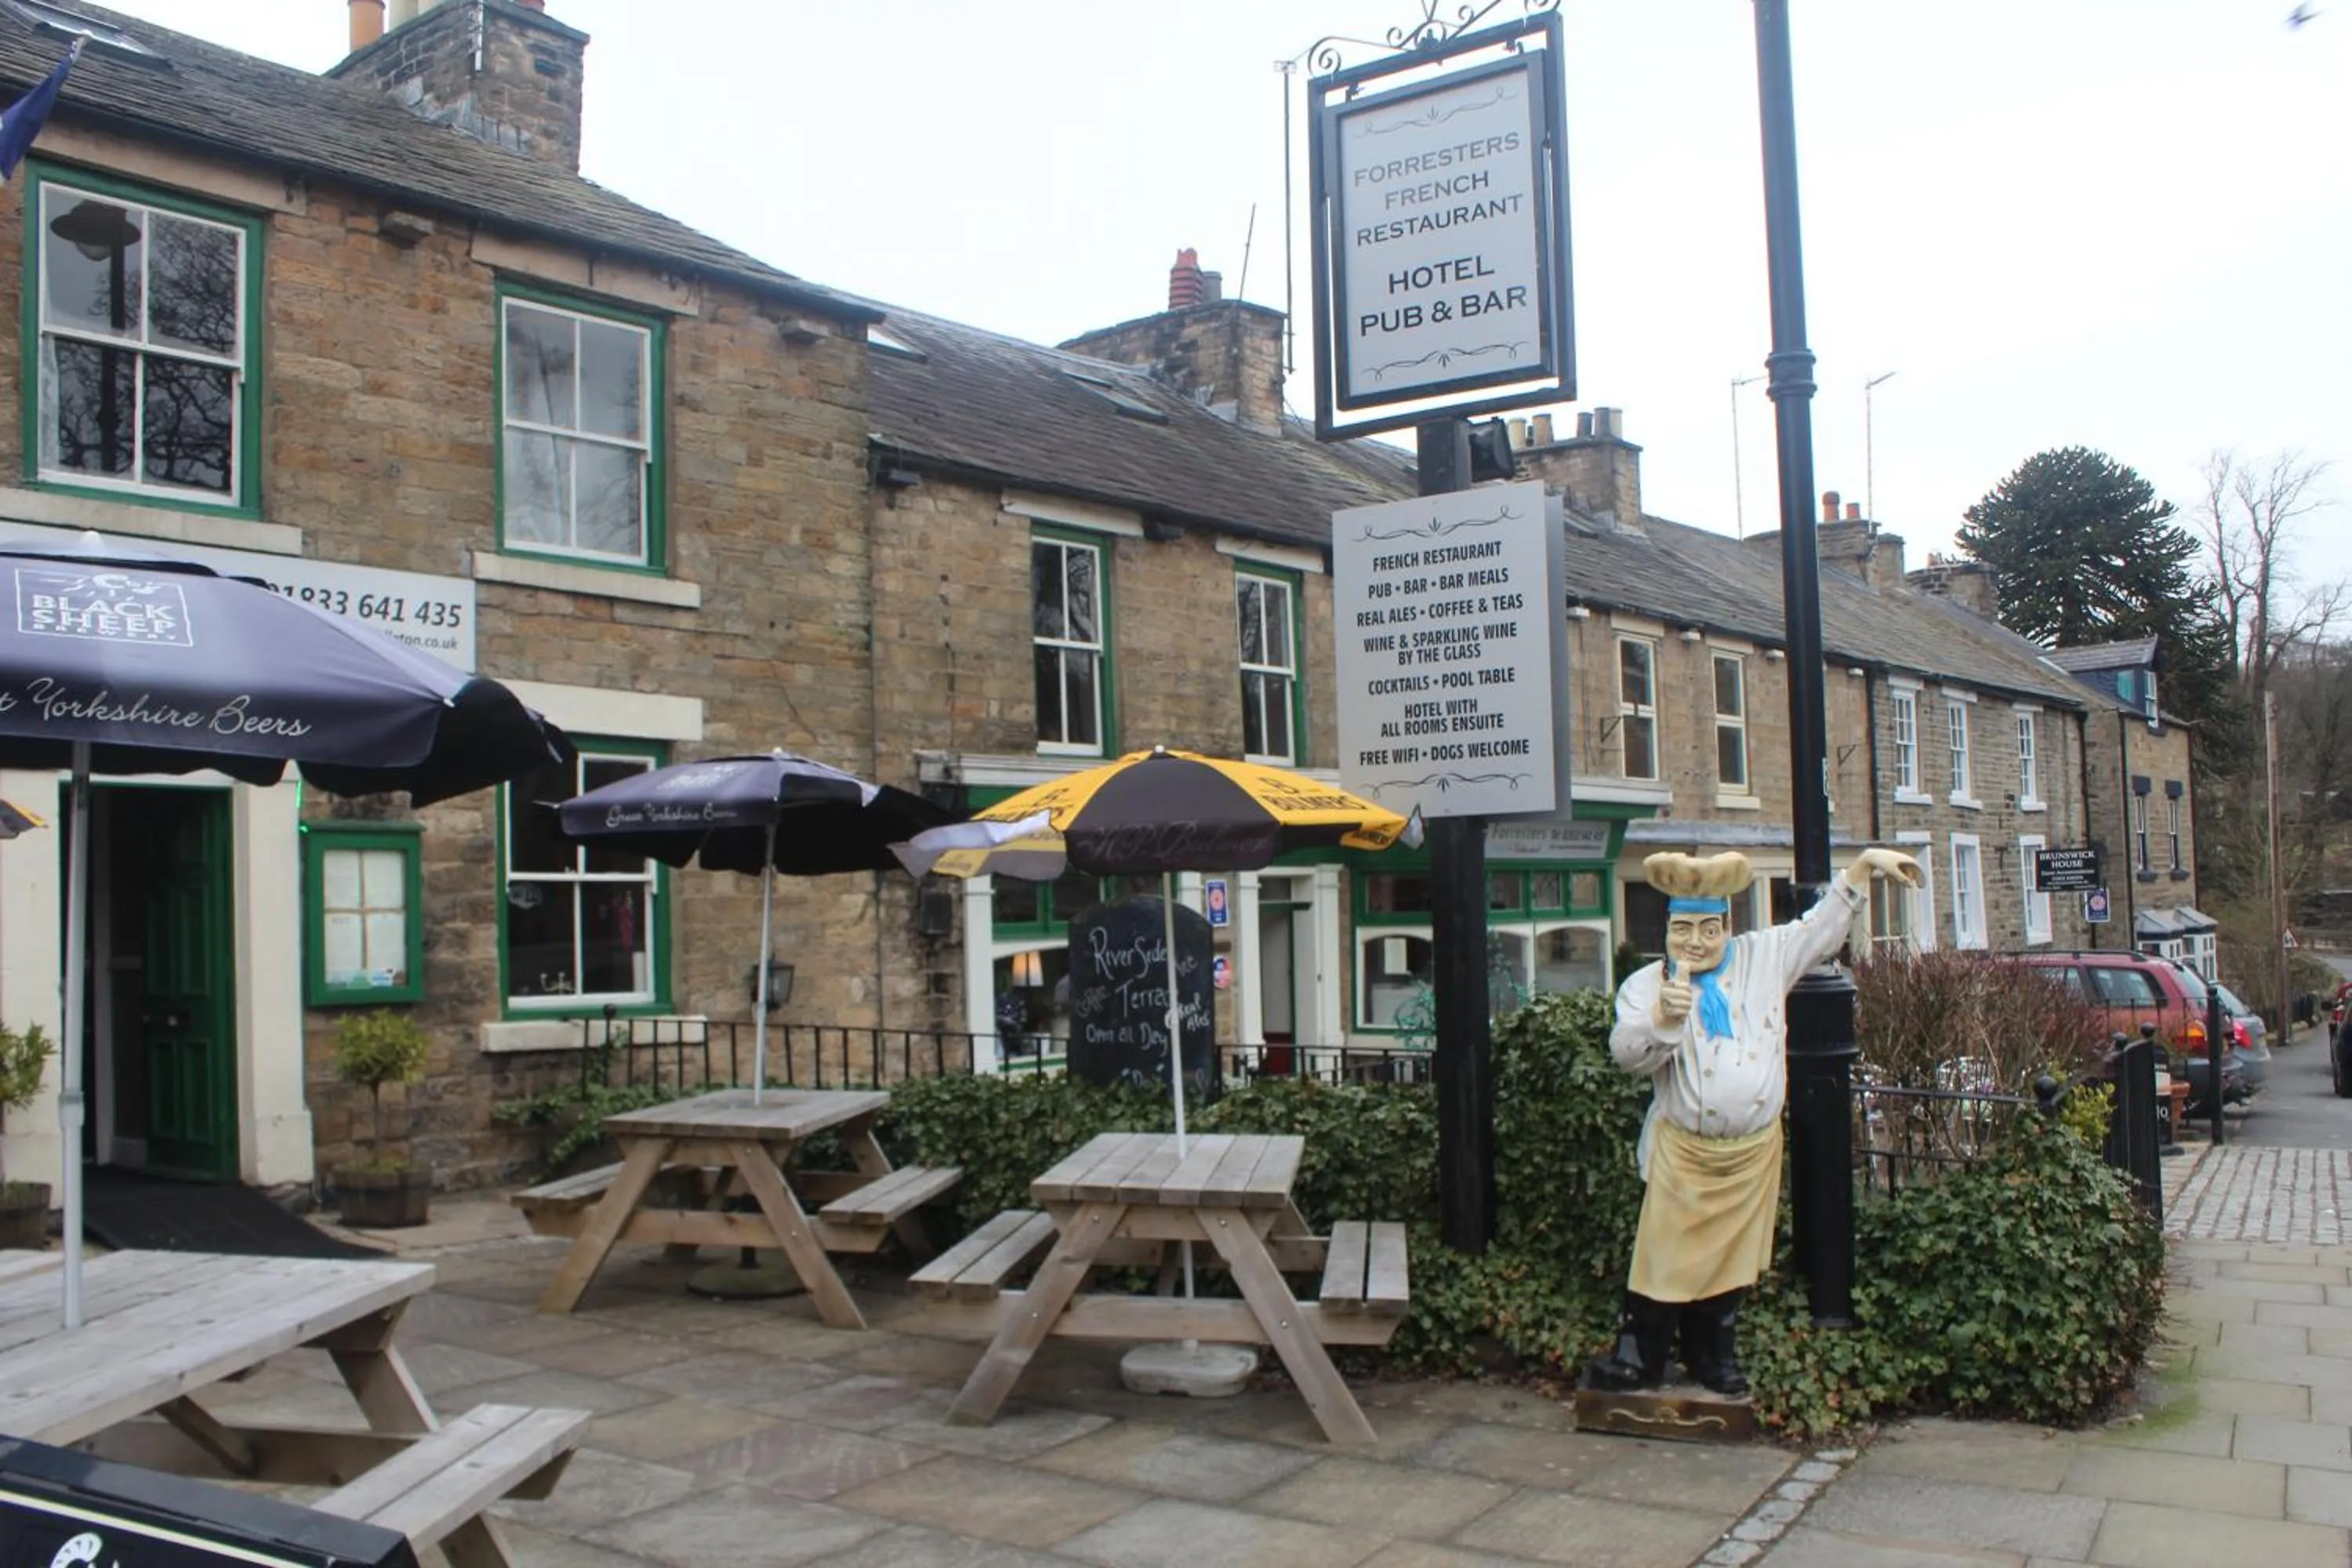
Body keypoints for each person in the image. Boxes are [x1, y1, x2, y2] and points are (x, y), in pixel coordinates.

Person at [1584, 846, 1923, 1397]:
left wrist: (1862, 869)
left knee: (1730, 1265)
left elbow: (1819, 930)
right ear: (1668, 928)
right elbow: (1627, 1056)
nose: (1695, 941)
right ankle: (1636, 1358)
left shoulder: (1763, 957)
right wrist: (1664, 1020)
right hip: (1684, 1155)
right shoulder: (1646, 987)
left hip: (1749, 1154)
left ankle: (1712, 1357)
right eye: (1682, 928)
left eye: (1708, 928)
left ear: (1727, 925)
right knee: (1661, 1260)